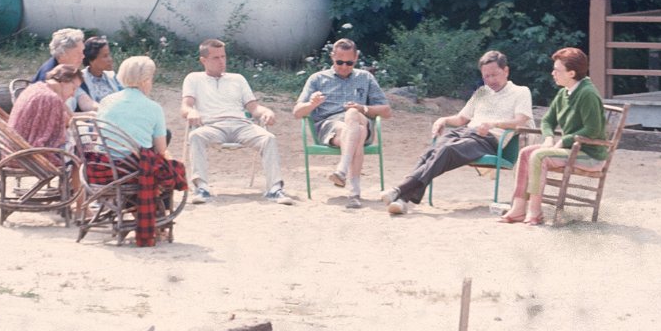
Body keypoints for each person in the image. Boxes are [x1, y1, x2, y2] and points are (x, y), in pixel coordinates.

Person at [382, 50, 534, 215]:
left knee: (448, 150)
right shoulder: (482, 92)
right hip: (466, 132)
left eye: (494, 75)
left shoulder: (520, 92)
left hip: (488, 140)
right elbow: (461, 118)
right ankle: (402, 199)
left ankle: (400, 190)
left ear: (506, 71)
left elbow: (520, 121)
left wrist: (493, 124)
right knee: (432, 151)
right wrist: (443, 120)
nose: (491, 80)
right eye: (486, 76)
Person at [498, 47, 607, 226]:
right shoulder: (564, 92)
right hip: (571, 150)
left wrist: (564, 140)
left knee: (539, 156)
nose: (553, 73)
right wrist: (548, 138)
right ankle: (518, 207)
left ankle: (534, 210)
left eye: (557, 70)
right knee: (526, 152)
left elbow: (593, 130)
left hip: (590, 155)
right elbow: (548, 120)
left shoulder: (587, 93)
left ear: (571, 73)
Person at [181, 38, 294, 205]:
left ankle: (274, 188)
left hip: (241, 125)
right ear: (203, 61)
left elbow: (254, 108)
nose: (222, 61)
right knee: (196, 136)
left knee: (268, 138)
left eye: (223, 57)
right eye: (216, 58)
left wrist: (266, 111)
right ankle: (202, 187)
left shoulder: (238, 79)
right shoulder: (193, 78)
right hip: (212, 125)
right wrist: (191, 112)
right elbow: (186, 106)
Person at [93, 56, 187, 247]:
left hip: (101, 167)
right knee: (168, 169)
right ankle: (160, 220)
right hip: (130, 172)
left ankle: (143, 213)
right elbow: (161, 149)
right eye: (151, 78)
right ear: (145, 80)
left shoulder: (106, 101)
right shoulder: (152, 108)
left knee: (152, 164)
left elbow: (97, 135)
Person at [293, 38, 392, 208]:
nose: (344, 67)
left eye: (349, 63)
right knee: (357, 133)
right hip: (331, 126)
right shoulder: (317, 79)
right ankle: (354, 192)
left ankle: (342, 169)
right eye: (340, 62)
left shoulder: (365, 77)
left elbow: (386, 111)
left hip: (360, 118)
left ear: (356, 59)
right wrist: (312, 104)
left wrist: (363, 108)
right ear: (332, 57)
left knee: (353, 113)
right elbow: (297, 112)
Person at [9, 64, 84, 151]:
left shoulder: (37, 87)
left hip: (17, 147)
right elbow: (65, 127)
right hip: (31, 154)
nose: (73, 94)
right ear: (64, 82)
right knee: (83, 143)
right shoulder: (51, 99)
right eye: (74, 88)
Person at [31, 27, 92, 112]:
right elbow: (58, 116)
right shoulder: (50, 78)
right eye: (78, 53)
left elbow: (84, 99)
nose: (83, 56)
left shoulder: (70, 71)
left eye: (83, 52)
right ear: (63, 54)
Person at [80, 35, 123, 109]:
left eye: (109, 55)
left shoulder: (112, 77)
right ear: (91, 60)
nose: (110, 59)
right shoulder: (81, 80)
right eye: (105, 56)